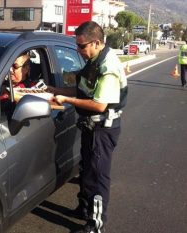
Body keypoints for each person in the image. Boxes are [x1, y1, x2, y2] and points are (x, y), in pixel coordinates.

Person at [49, 21, 128, 233]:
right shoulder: (93, 59)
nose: (79, 50)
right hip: (90, 127)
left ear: (97, 43)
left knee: (97, 177)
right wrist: (53, 89)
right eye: (77, 45)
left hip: (102, 130)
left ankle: (95, 225)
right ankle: (84, 209)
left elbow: (99, 104)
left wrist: (66, 100)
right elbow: (82, 90)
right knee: (86, 171)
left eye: (82, 46)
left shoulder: (107, 67)